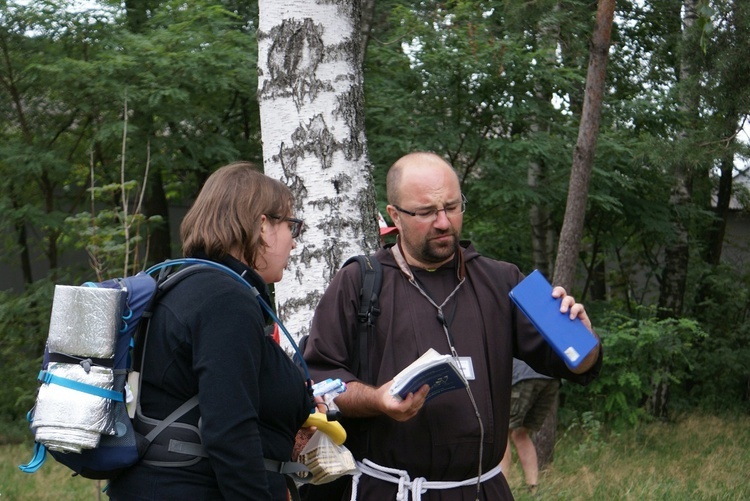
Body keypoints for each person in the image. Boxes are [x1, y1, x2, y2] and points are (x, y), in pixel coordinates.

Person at [302, 151, 602, 500]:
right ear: (394, 215)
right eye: (427, 212)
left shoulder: (503, 280)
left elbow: (579, 364)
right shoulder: (359, 282)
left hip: (482, 490)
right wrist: (377, 399)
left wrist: (584, 338)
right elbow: (321, 381)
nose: (444, 222)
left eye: (452, 206)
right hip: (391, 491)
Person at [107, 162, 313, 500]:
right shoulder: (225, 301)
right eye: (292, 226)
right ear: (263, 226)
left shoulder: (186, 284)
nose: (294, 243)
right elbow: (229, 431)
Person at [500, 359, 560, 495]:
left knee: (502, 433)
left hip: (522, 376)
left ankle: (501, 489)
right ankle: (533, 489)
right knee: (521, 433)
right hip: (551, 378)